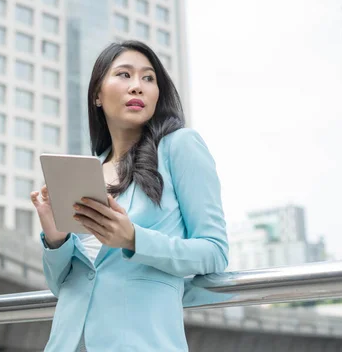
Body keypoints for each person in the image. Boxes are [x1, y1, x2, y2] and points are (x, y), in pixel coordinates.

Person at [30, 40, 229, 351]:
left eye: (148, 78)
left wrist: (133, 239)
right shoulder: (87, 171)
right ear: (97, 94)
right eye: (124, 75)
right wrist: (56, 240)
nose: (138, 86)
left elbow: (214, 252)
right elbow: (65, 284)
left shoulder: (180, 147)